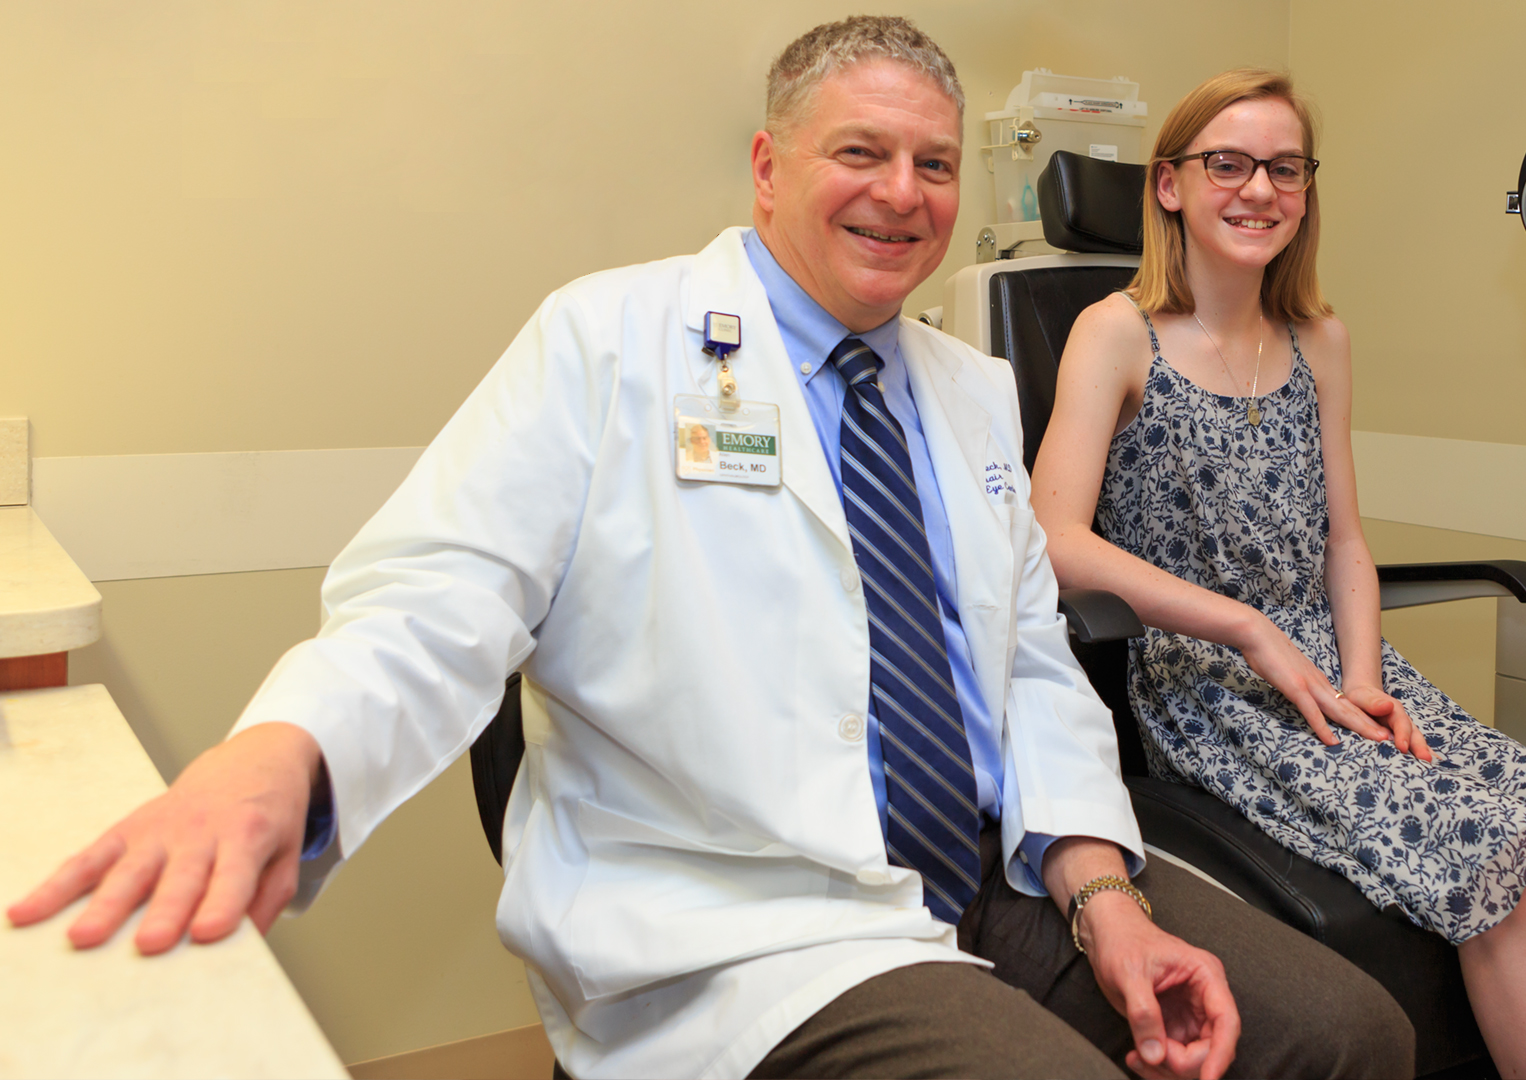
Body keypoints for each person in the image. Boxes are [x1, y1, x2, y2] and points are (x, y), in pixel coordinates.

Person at [8, 24, 1415, 1080]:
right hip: (757, 920)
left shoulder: (970, 390)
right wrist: (280, 756)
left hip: (1000, 870)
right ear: (767, 167)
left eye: (933, 161)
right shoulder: (608, 341)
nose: (905, 193)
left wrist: (1103, 894)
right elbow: (439, 598)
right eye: (859, 153)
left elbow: (1030, 666)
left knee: (1349, 1037)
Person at [1029, 68, 1526, 1080]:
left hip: (1342, 670)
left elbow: (1345, 545)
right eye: (1226, 164)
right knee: (1511, 871)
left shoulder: (1320, 339)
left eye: (1285, 168)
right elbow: (1051, 534)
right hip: (1215, 691)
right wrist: (1247, 628)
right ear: (1170, 185)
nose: (1259, 189)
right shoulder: (1118, 332)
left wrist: (1363, 675)